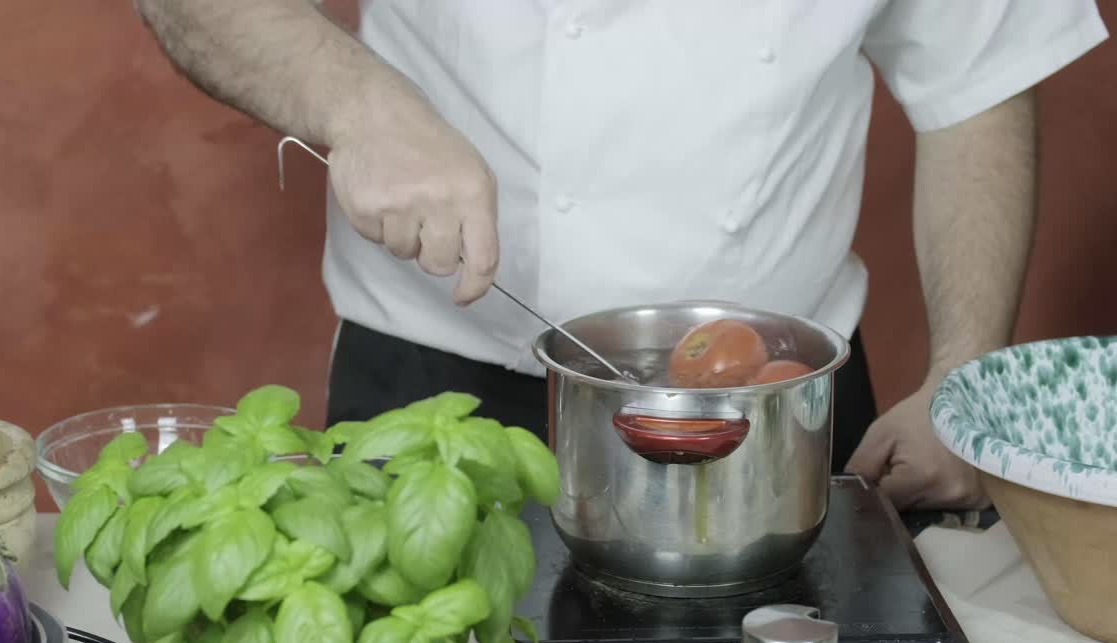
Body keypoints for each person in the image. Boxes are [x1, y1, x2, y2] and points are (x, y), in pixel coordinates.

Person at [134, 0, 1107, 511]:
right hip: (436, 402)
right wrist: (358, 106)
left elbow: (979, 80)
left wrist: (959, 376)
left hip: (774, 413)